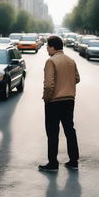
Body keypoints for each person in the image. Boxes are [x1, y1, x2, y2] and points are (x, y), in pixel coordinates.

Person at [38, 35, 80, 172]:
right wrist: (67, 83)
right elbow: (77, 79)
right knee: (69, 130)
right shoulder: (71, 60)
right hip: (69, 100)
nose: (46, 50)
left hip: (54, 101)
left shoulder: (51, 61)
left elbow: (49, 85)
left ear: (52, 47)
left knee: (52, 132)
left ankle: (53, 163)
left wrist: (46, 98)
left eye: (47, 47)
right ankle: (73, 161)